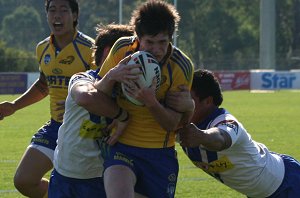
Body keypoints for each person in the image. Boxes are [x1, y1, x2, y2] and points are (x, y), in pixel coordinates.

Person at [0, 0, 97, 197]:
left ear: (75, 15)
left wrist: (78, 101)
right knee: (24, 180)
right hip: (56, 126)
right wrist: (14, 106)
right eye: (52, 10)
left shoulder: (90, 49)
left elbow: (104, 88)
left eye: (63, 10)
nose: (57, 16)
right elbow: (44, 85)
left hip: (85, 130)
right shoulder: (42, 48)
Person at [98, 1, 194, 197]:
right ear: (138, 37)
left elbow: (172, 124)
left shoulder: (181, 65)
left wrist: (151, 102)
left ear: (171, 38)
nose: (156, 49)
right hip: (121, 148)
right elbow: (99, 93)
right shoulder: (122, 49)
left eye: (163, 42)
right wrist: (112, 76)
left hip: (159, 154)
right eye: (150, 42)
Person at [169, 69, 300, 197]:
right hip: (260, 192)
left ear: (208, 101)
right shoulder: (182, 122)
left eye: (188, 98)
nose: (182, 103)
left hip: (288, 184)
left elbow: (220, 137)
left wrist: (201, 136)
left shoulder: (227, 121)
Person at [48, 23, 134, 198]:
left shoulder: (130, 91)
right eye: (127, 53)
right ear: (108, 51)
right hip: (64, 175)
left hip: (100, 178)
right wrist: (121, 115)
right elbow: (86, 97)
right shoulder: (83, 78)